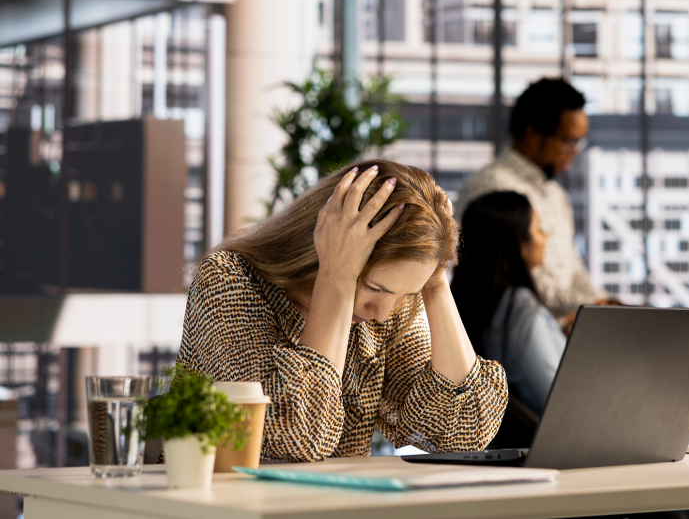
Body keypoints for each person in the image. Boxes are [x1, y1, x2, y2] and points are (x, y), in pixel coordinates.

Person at [177, 161, 508, 462]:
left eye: (403, 294)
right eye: (376, 289)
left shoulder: (383, 314)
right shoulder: (229, 278)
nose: (382, 313)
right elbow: (297, 438)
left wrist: (434, 280)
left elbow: (460, 437)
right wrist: (336, 275)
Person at [455, 77, 604, 320]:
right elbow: (519, 284)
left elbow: (573, 269)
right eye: (568, 141)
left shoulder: (556, 195)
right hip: (517, 342)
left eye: (579, 142)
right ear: (532, 132)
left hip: (561, 329)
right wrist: (594, 307)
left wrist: (605, 302)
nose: (575, 151)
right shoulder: (493, 189)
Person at [452, 191, 566, 416]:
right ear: (519, 244)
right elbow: (561, 399)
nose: (545, 236)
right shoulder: (520, 307)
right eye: (538, 228)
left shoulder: (478, 306)